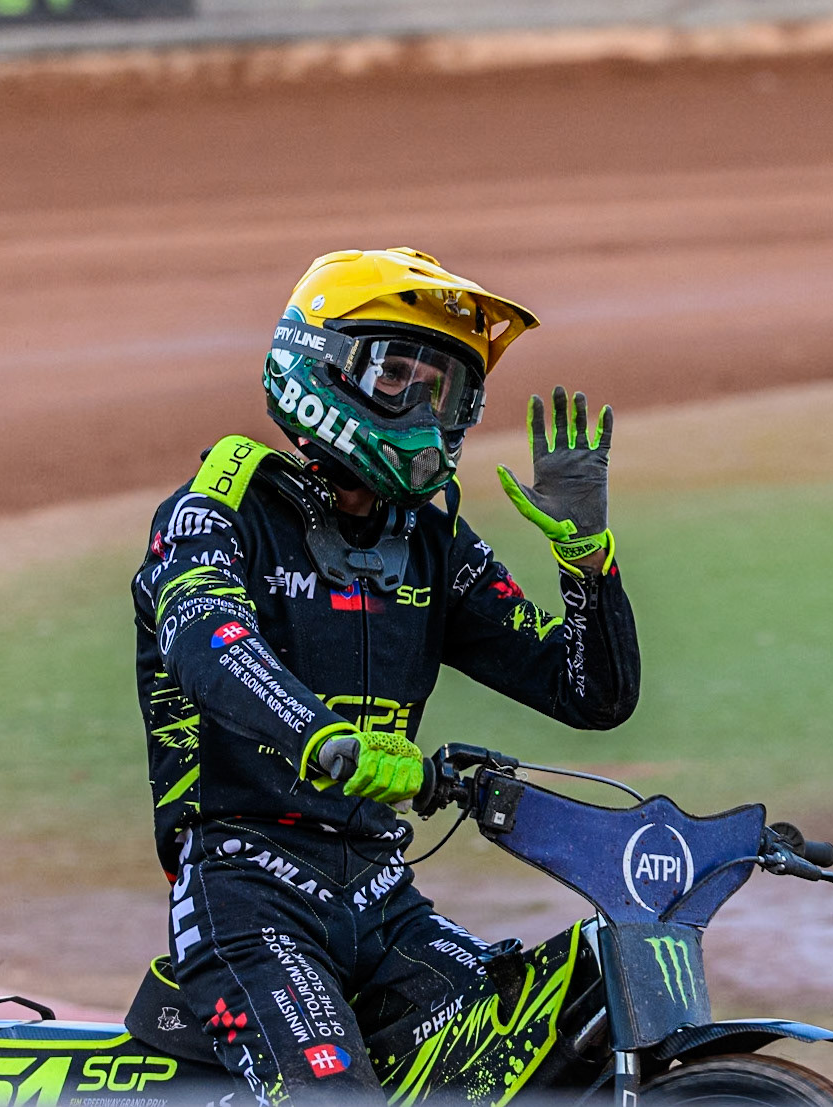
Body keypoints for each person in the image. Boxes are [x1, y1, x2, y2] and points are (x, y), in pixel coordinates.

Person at [130, 247, 640, 1104]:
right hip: (243, 891)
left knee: (547, 1040)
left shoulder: (433, 543)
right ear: (319, 365)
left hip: (377, 893)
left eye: (446, 390)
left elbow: (588, 694)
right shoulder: (220, 507)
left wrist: (586, 559)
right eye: (398, 374)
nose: (424, 410)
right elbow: (208, 638)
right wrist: (326, 738)